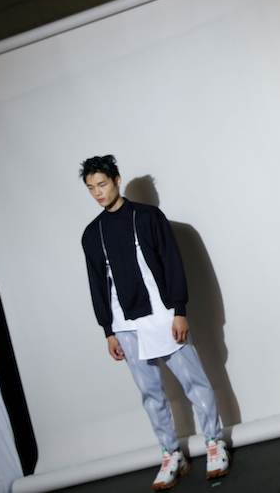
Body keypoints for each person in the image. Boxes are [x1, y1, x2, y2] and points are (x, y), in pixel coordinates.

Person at [80, 155, 230, 490]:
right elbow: (97, 284)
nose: (97, 193)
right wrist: (108, 330)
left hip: (163, 316)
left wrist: (179, 310)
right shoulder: (93, 234)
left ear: (116, 180)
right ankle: (170, 452)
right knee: (150, 393)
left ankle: (214, 443)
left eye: (101, 184)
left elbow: (173, 263)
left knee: (195, 382)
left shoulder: (148, 217)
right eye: (91, 188)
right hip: (124, 325)